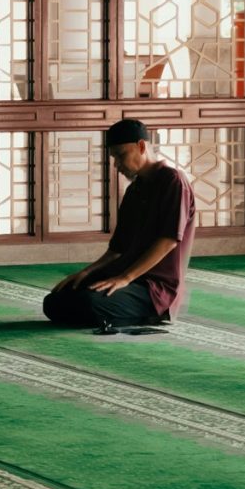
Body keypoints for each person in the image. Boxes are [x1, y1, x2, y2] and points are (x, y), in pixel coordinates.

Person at [43, 120, 196, 334]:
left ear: (141, 146)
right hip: (124, 276)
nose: (117, 165)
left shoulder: (173, 181)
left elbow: (169, 240)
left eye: (121, 155)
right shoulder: (134, 190)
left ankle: (151, 314)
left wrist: (126, 278)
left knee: (89, 303)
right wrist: (85, 273)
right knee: (55, 300)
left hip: (153, 288)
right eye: (114, 158)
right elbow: (117, 250)